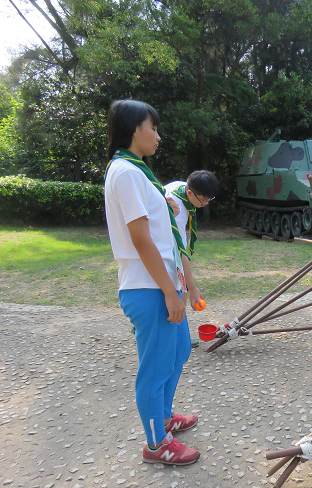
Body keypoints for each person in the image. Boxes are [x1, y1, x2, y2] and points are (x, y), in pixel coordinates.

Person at [104, 99, 200, 466]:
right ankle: (156, 444)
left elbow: (157, 231)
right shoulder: (126, 172)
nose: (158, 136)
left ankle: (163, 417)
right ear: (133, 130)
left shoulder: (137, 171)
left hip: (161, 283)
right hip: (149, 286)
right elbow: (140, 238)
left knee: (178, 352)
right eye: (153, 127)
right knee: (156, 364)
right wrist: (167, 291)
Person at [165, 170, 219, 346]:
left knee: (180, 289)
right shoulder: (178, 211)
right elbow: (181, 252)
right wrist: (193, 287)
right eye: (203, 200)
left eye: (209, 200)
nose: (205, 204)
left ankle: (177, 334)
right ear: (190, 193)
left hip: (163, 242)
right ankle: (179, 338)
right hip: (160, 249)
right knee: (182, 289)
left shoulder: (181, 187)